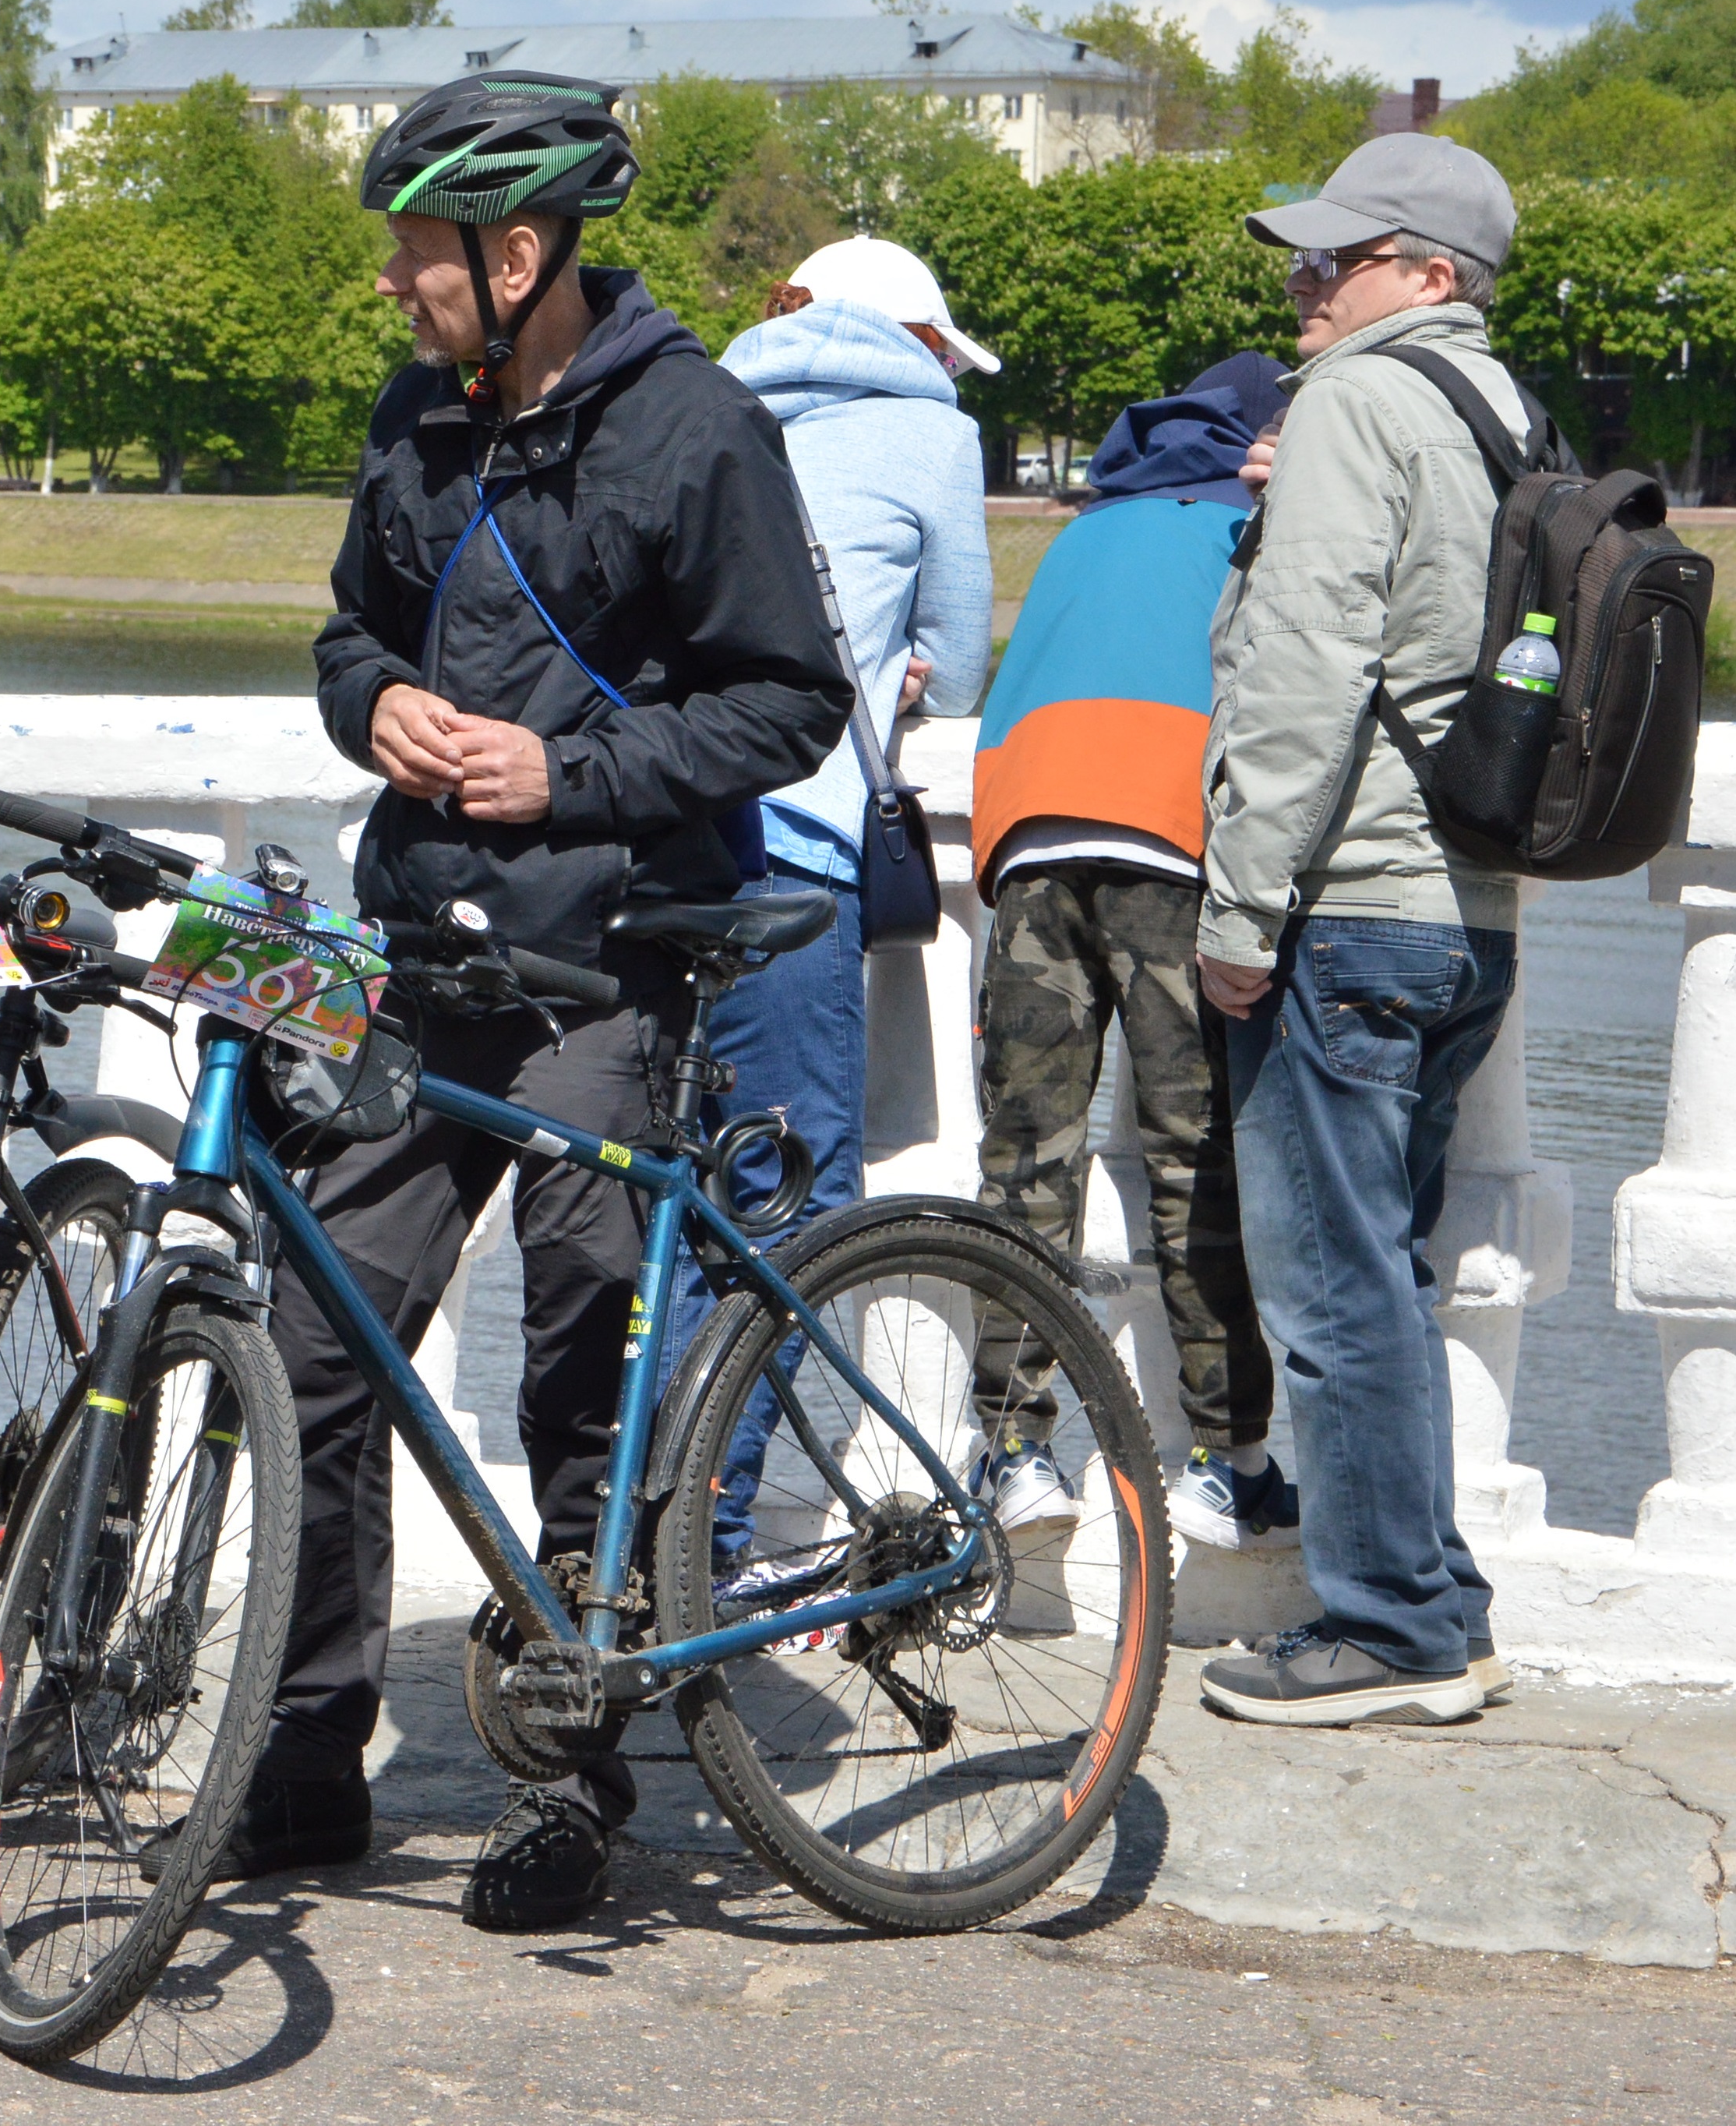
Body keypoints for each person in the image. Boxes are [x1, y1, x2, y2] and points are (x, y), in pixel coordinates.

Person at [247, 71, 850, 1931]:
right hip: (423, 959)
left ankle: (575, 1778)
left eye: (417, 256)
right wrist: (374, 707)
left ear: (517, 257)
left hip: (608, 965)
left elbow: (790, 701)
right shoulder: (417, 416)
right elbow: (350, 630)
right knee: (315, 1337)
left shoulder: (699, 429)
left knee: (585, 1358)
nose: (392, 286)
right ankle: (306, 1745)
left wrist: (565, 778)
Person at [1192, 133, 1539, 1726]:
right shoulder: (1504, 410)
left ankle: (1389, 1632)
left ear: (1430, 274)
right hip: (1467, 910)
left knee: (1332, 1294)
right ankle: (1441, 1610)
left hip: (1344, 908)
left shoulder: (1356, 403)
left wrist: (1242, 908)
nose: (1303, 282)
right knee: (1383, 1279)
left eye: (1339, 255)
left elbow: (1304, 671)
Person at [658, 235, 993, 1559]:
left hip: (647, 846)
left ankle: (611, 1541)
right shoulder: (932, 435)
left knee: (648, 1204)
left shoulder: (695, 404)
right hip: (788, 854)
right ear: (917, 340)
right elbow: (954, 662)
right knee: (783, 1208)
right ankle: (699, 1546)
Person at [965, 353, 1293, 1551]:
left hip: (1032, 837)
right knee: (1192, 1157)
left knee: (1025, 1157)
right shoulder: (1252, 524)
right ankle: (1224, 1460)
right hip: (1167, 838)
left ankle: (1008, 1451)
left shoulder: (1087, 526)